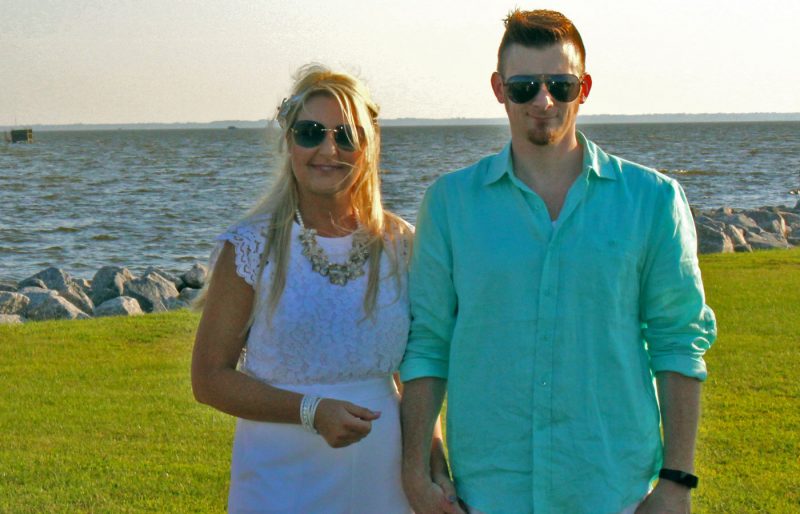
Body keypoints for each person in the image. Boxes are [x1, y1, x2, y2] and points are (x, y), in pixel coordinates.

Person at [400, 9, 717, 514]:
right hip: (488, 492)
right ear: (499, 89)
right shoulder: (450, 203)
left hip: (613, 488)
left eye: (560, 85)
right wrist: (416, 471)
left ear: (584, 87)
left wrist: (676, 482)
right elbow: (428, 346)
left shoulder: (652, 199)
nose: (543, 101)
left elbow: (679, 341)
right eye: (524, 86)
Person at [191, 64, 417, 513]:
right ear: (289, 140)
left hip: (383, 480)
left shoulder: (402, 245)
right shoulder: (250, 247)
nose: (327, 149)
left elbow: (417, 376)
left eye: (346, 135)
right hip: (279, 482)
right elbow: (209, 379)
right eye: (311, 132)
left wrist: (430, 466)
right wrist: (311, 410)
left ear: (368, 146)